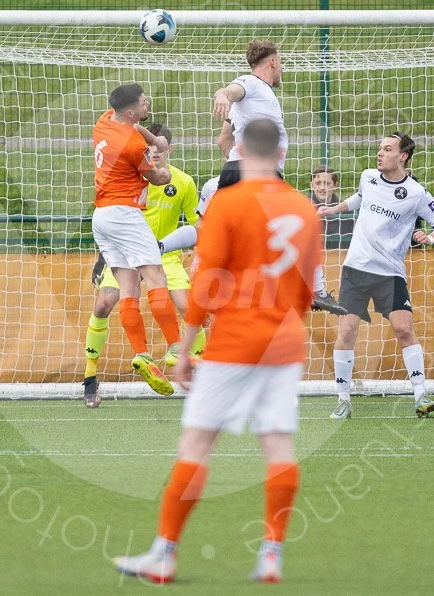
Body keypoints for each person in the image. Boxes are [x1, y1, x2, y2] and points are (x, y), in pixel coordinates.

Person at [113, 119, 320, 584]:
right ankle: (271, 555)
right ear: (281, 155)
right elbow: (308, 288)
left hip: (235, 338)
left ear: (241, 150)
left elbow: (206, 283)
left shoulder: (228, 202)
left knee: (198, 444)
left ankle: (164, 555)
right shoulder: (304, 209)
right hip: (285, 340)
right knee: (278, 445)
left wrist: (184, 350)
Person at [202, 39, 343, 314]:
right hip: (256, 175)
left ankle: (228, 292)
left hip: (240, 172)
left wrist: (235, 162)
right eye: (281, 64)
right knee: (301, 225)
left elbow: (223, 139)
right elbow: (232, 90)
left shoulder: (258, 97)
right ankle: (316, 292)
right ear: (272, 62)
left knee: (242, 241)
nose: (282, 70)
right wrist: (222, 94)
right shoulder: (252, 84)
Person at [318, 132, 434, 420]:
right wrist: (334, 209)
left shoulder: (416, 193)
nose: (380, 153)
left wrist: (430, 238)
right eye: (380, 148)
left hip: (390, 273)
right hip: (355, 269)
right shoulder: (368, 176)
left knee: (404, 330)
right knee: (346, 332)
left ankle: (420, 396)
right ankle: (343, 400)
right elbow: (359, 198)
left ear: (402, 156)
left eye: (387, 149)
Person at [83, 122, 205, 407]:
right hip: (127, 254)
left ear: (169, 149)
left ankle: (193, 375)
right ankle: (90, 379)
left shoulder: (183, 182)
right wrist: (104, 258)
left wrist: (202, 254)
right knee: (103, 304)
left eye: (159, 148)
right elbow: (112, 221)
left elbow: (198, 223)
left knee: (190, 307)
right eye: (148, 148)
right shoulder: (130, 175)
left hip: (166, 256)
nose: (154, 153)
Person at [90, 82, 183, 396]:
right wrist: (165, 161)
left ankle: (142, 354)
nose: (148, 104)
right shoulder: (132, 146)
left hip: (101, 216)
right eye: (143, 102)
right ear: (131, 112)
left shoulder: (104, 122)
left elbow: (135, 130)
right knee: (155, 276)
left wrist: (151, 136)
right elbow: (156, 178)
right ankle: (175, 348)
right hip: (125, 213)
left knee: (128, 286)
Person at [308, 164, 355, 245]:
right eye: (318, 183)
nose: (322, 187)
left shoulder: (346, 211)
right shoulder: (303, 208)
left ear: (335, 185)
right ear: (311, 185)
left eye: (327, 183)